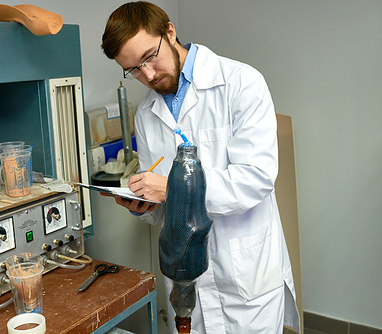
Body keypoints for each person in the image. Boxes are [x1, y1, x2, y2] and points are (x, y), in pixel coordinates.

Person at [101, 2, 300, 333]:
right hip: (185, 277)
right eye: (134, 69)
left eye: (150, 57)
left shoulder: (240, 83)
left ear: (169, 31)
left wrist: (170, 189)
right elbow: (162, 203)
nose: (148, 75)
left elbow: (256, 178)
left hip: (244, 273)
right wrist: (142, 205)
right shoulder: (146, 115)